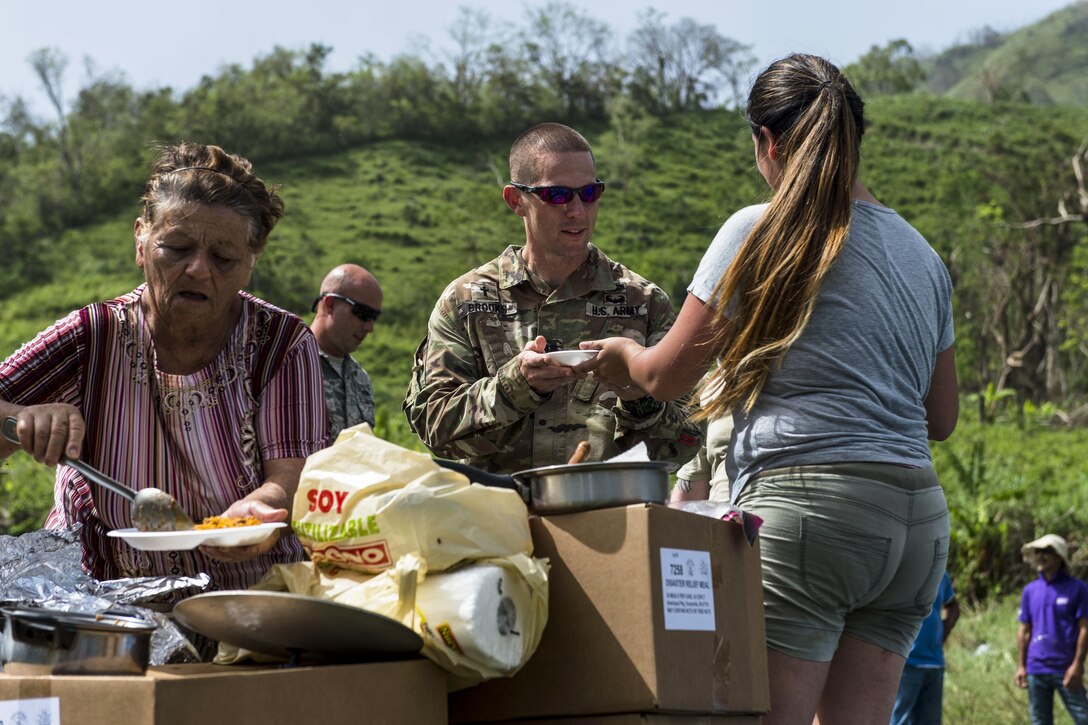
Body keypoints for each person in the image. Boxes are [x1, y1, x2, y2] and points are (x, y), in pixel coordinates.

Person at [580, 53, 958, 725]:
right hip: (916, 525)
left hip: (808, 514)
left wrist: (623, 358)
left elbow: (667, 375)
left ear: (768, 143)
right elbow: (943, 415)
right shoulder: (921, 254)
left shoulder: (757, 230)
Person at [0, 142, 327, 599]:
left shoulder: (281, 344)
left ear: (251, 263)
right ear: (140, 241)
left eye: (223, 258)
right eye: (176, 247)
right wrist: (18, 421)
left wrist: (261, 509)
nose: (196, 269)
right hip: (107, 603)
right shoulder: (91, 337)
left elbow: (291, 476)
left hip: (249, 602)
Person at [403, 122, 701, 473]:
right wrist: (517, 385)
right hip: (498, 515)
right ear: (517, 201)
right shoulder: (466, 301)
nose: (576, 211)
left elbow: (687, 441)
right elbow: (432, 426)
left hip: (609, 516)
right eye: (557, 195)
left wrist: (636, 396)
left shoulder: (644, 304)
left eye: (589, 193)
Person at [1016, 534, 1088, 725]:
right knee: (1040, 721)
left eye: (1046, 552)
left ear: (1059, 557)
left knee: (1083, 718)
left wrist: (1077, 665)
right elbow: (1024, 631)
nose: (1040, 557)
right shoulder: (1030, 591)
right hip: (1036, 669)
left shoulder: (1078, 589)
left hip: (1066, 668)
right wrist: (1021, 666)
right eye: (1037, 552)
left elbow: (1085, 629)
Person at [310, 264, 383, 442]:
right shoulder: (289, 365)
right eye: (363, 313)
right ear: (330, 305)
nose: (369, 327)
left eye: (374, 317)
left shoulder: (360, 379)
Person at [891, 570, 959, 725]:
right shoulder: (899, 565)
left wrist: (941, 634)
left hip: (934, 663)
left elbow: (953, 606)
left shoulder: (940, 573)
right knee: (899, 720)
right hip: (904, 662)